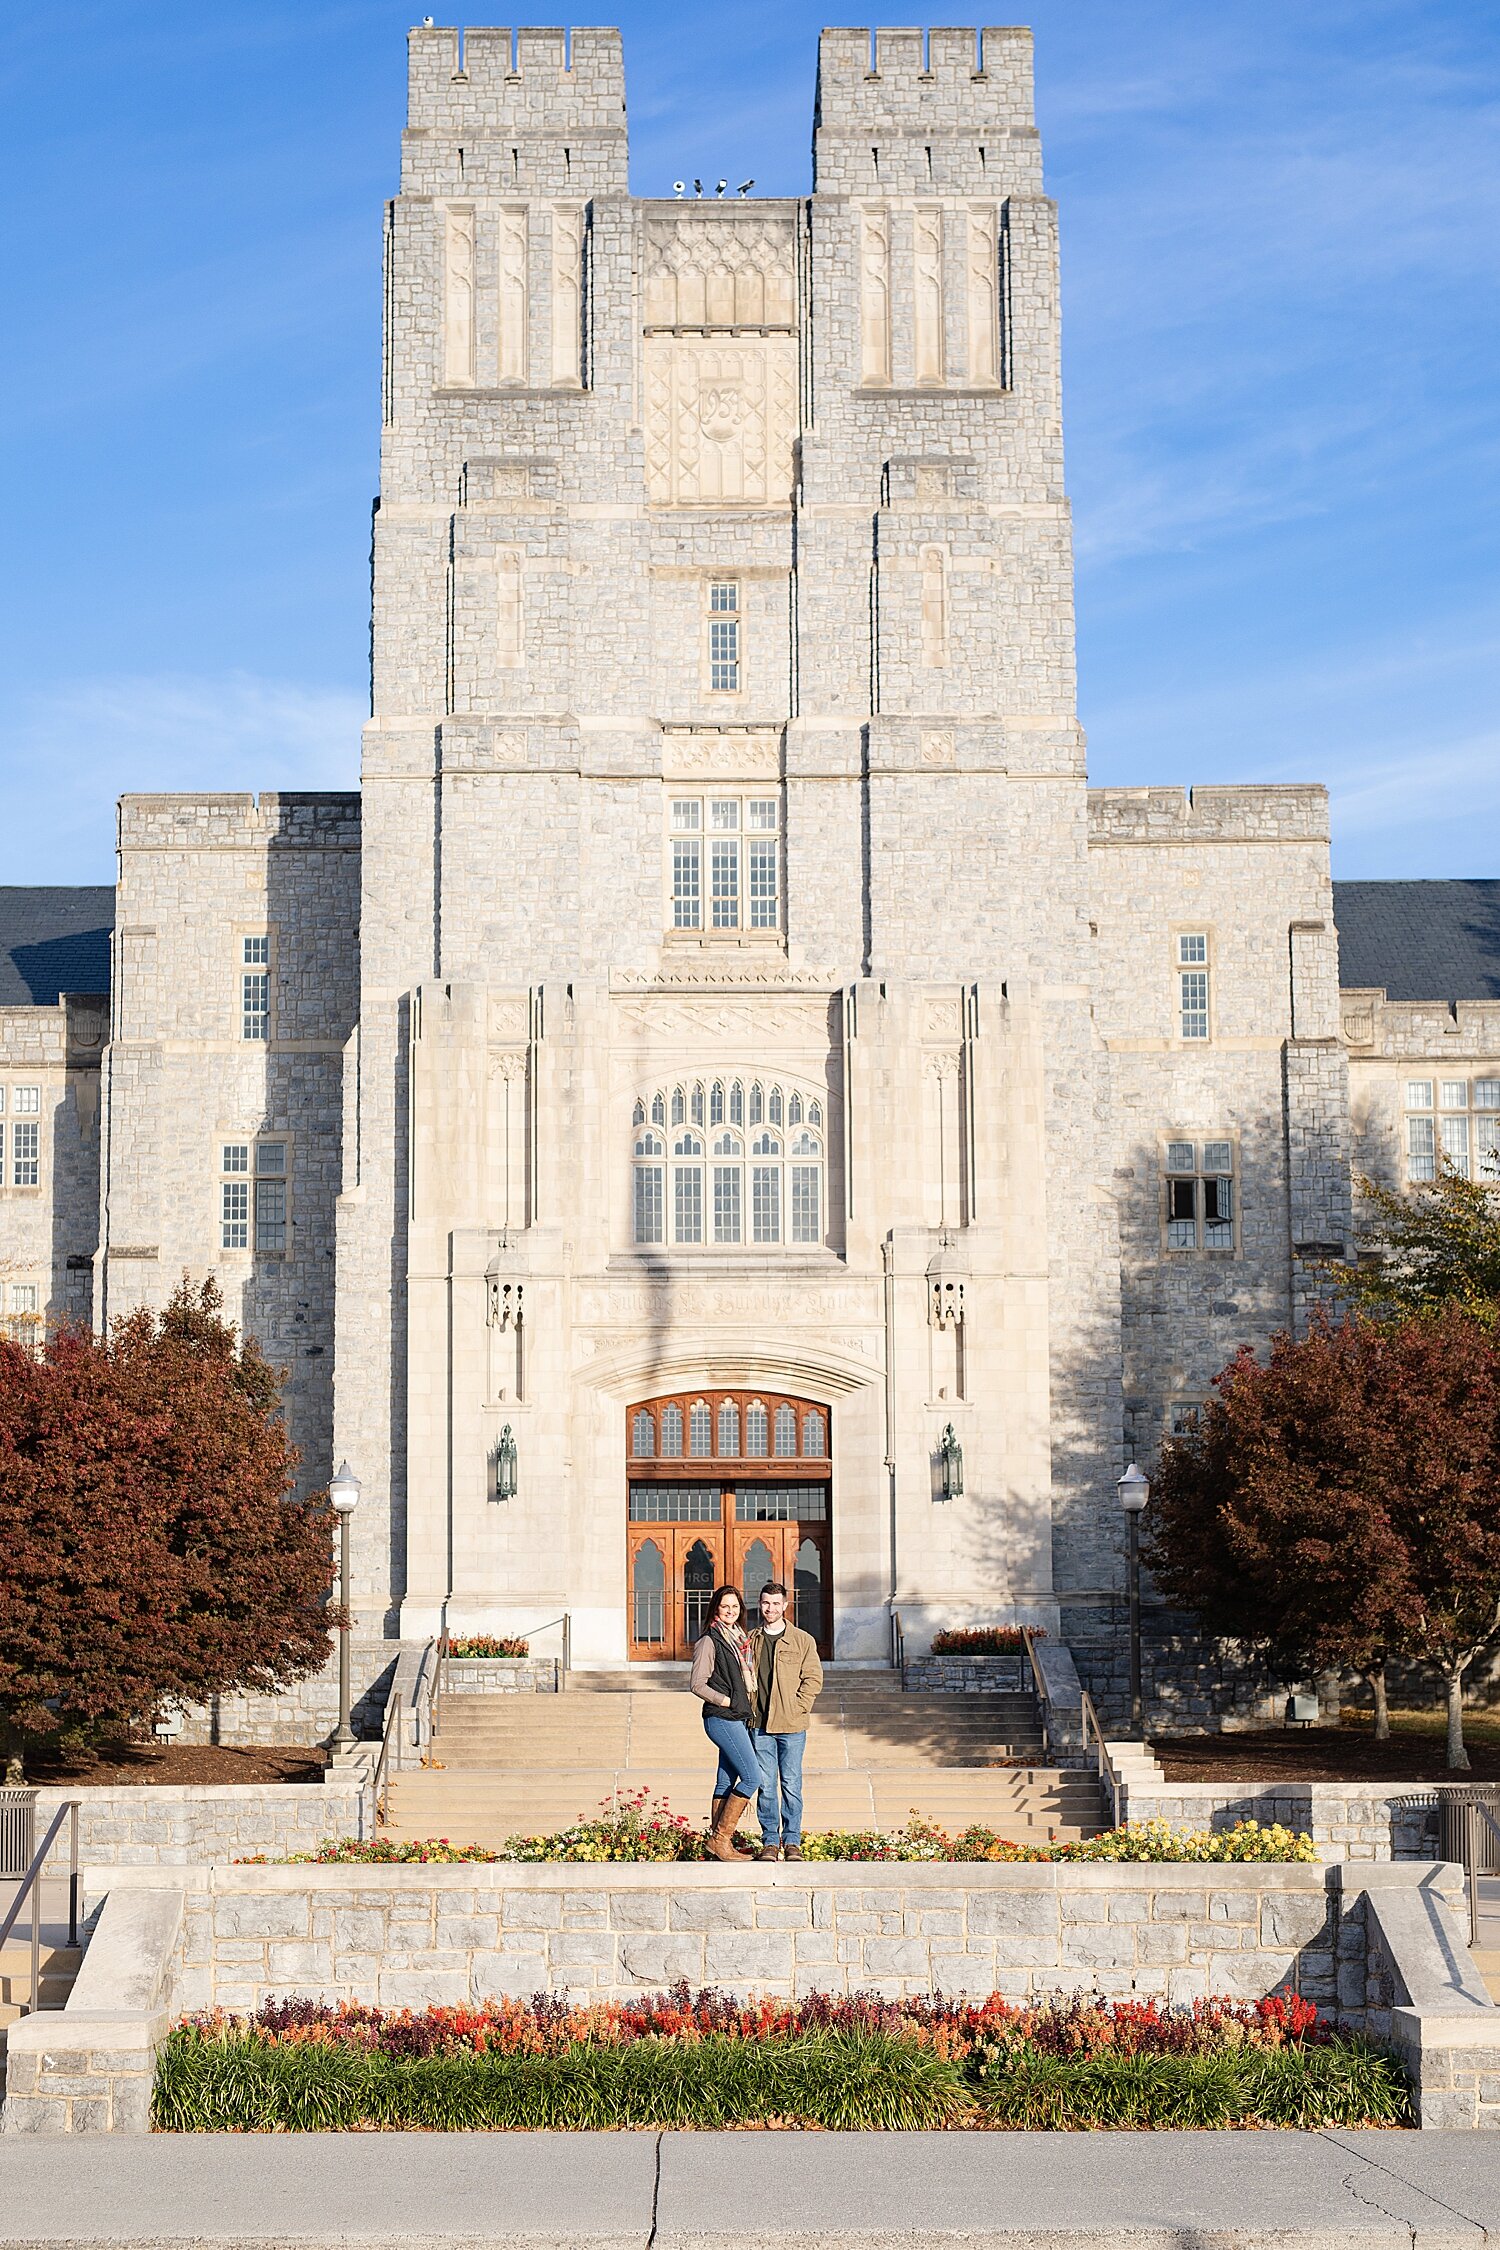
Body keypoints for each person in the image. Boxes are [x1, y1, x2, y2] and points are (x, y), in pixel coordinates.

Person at [747, 1580, 823, 1862]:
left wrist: (799, 1707)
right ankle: (769, 1842)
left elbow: (813, 1678)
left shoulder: (802, 1640)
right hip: (759, 1726)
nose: (771, 1608)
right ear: (760, 1604)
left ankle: (792, 1842)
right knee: (766, 1786)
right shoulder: (750, 1639)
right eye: (766, 1603)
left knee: (791, 1783)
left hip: (791, 1726)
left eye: (776, 1603)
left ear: (785, 1606)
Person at [689, 1584, 762, 1863]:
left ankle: (715, 1844)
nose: (730, 1611)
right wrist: (726, 1701)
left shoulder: (739, 1639)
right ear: (716, 1609)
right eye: (725, 1607)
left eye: (735, 1607)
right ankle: (720, 1839)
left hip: (736, 1718)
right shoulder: (710, 1640)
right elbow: (697, 1683)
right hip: (722, 1718)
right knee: (752, 1777)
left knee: (725, 1779)